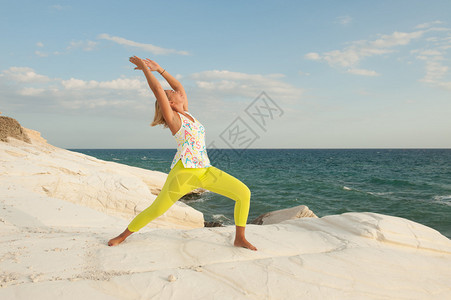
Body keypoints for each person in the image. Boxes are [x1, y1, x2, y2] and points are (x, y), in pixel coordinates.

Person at [108, 56, 257, 251]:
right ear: (169, 102)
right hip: (183, 173)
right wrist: (145, 69)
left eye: (175, 91)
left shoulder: (188, 113)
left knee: (243, 193)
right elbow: (158, 90)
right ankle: (123, 235)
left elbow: (178, 85)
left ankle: (240, 238)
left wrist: (160, 69)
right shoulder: (174, 119)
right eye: (171, 93)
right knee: (156, 210)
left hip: (205, 170)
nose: (176, 91)